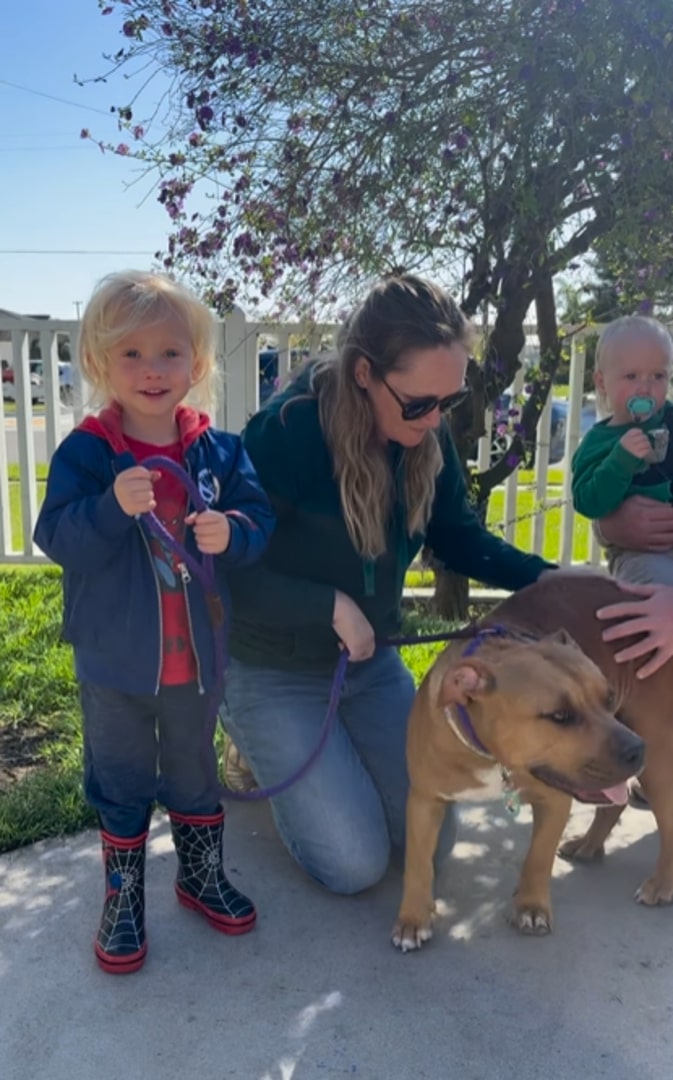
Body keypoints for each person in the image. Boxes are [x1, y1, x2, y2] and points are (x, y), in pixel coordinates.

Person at [221, 272, 555, 896]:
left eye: (448, 402)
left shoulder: (422, 433)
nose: (434, 421)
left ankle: (323, 755)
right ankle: (247, 738)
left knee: (432, 835)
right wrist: (328, 604)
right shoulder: (285, 433)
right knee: (355, 865)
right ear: (363, 373)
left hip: (368, 665)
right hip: (271, 666)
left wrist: (552, 579)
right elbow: (229, 572)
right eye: (420, 404)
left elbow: (458, 538)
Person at [33, 270, 275, 974]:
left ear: (196, 365)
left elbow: (259, 522)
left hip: (194, 660)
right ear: (101, 364)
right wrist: (109, 507)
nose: (151, 370)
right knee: (120, 777)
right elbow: (58, 537)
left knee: (196, 773)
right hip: (115, 663)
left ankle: (199, 877)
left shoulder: (219, 453)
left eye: (169, 353)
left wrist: (231, 532)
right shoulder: (87, 453)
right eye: (131, 354)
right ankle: (123, 898)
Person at [572, 315, 673, 584]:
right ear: (603, 383)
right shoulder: (599, 442)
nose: (645, 387)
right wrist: (620, 462)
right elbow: (587, 501)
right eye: (631, 376)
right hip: (638, 554)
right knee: (655, 589)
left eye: (658, 376)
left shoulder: (670, 418)